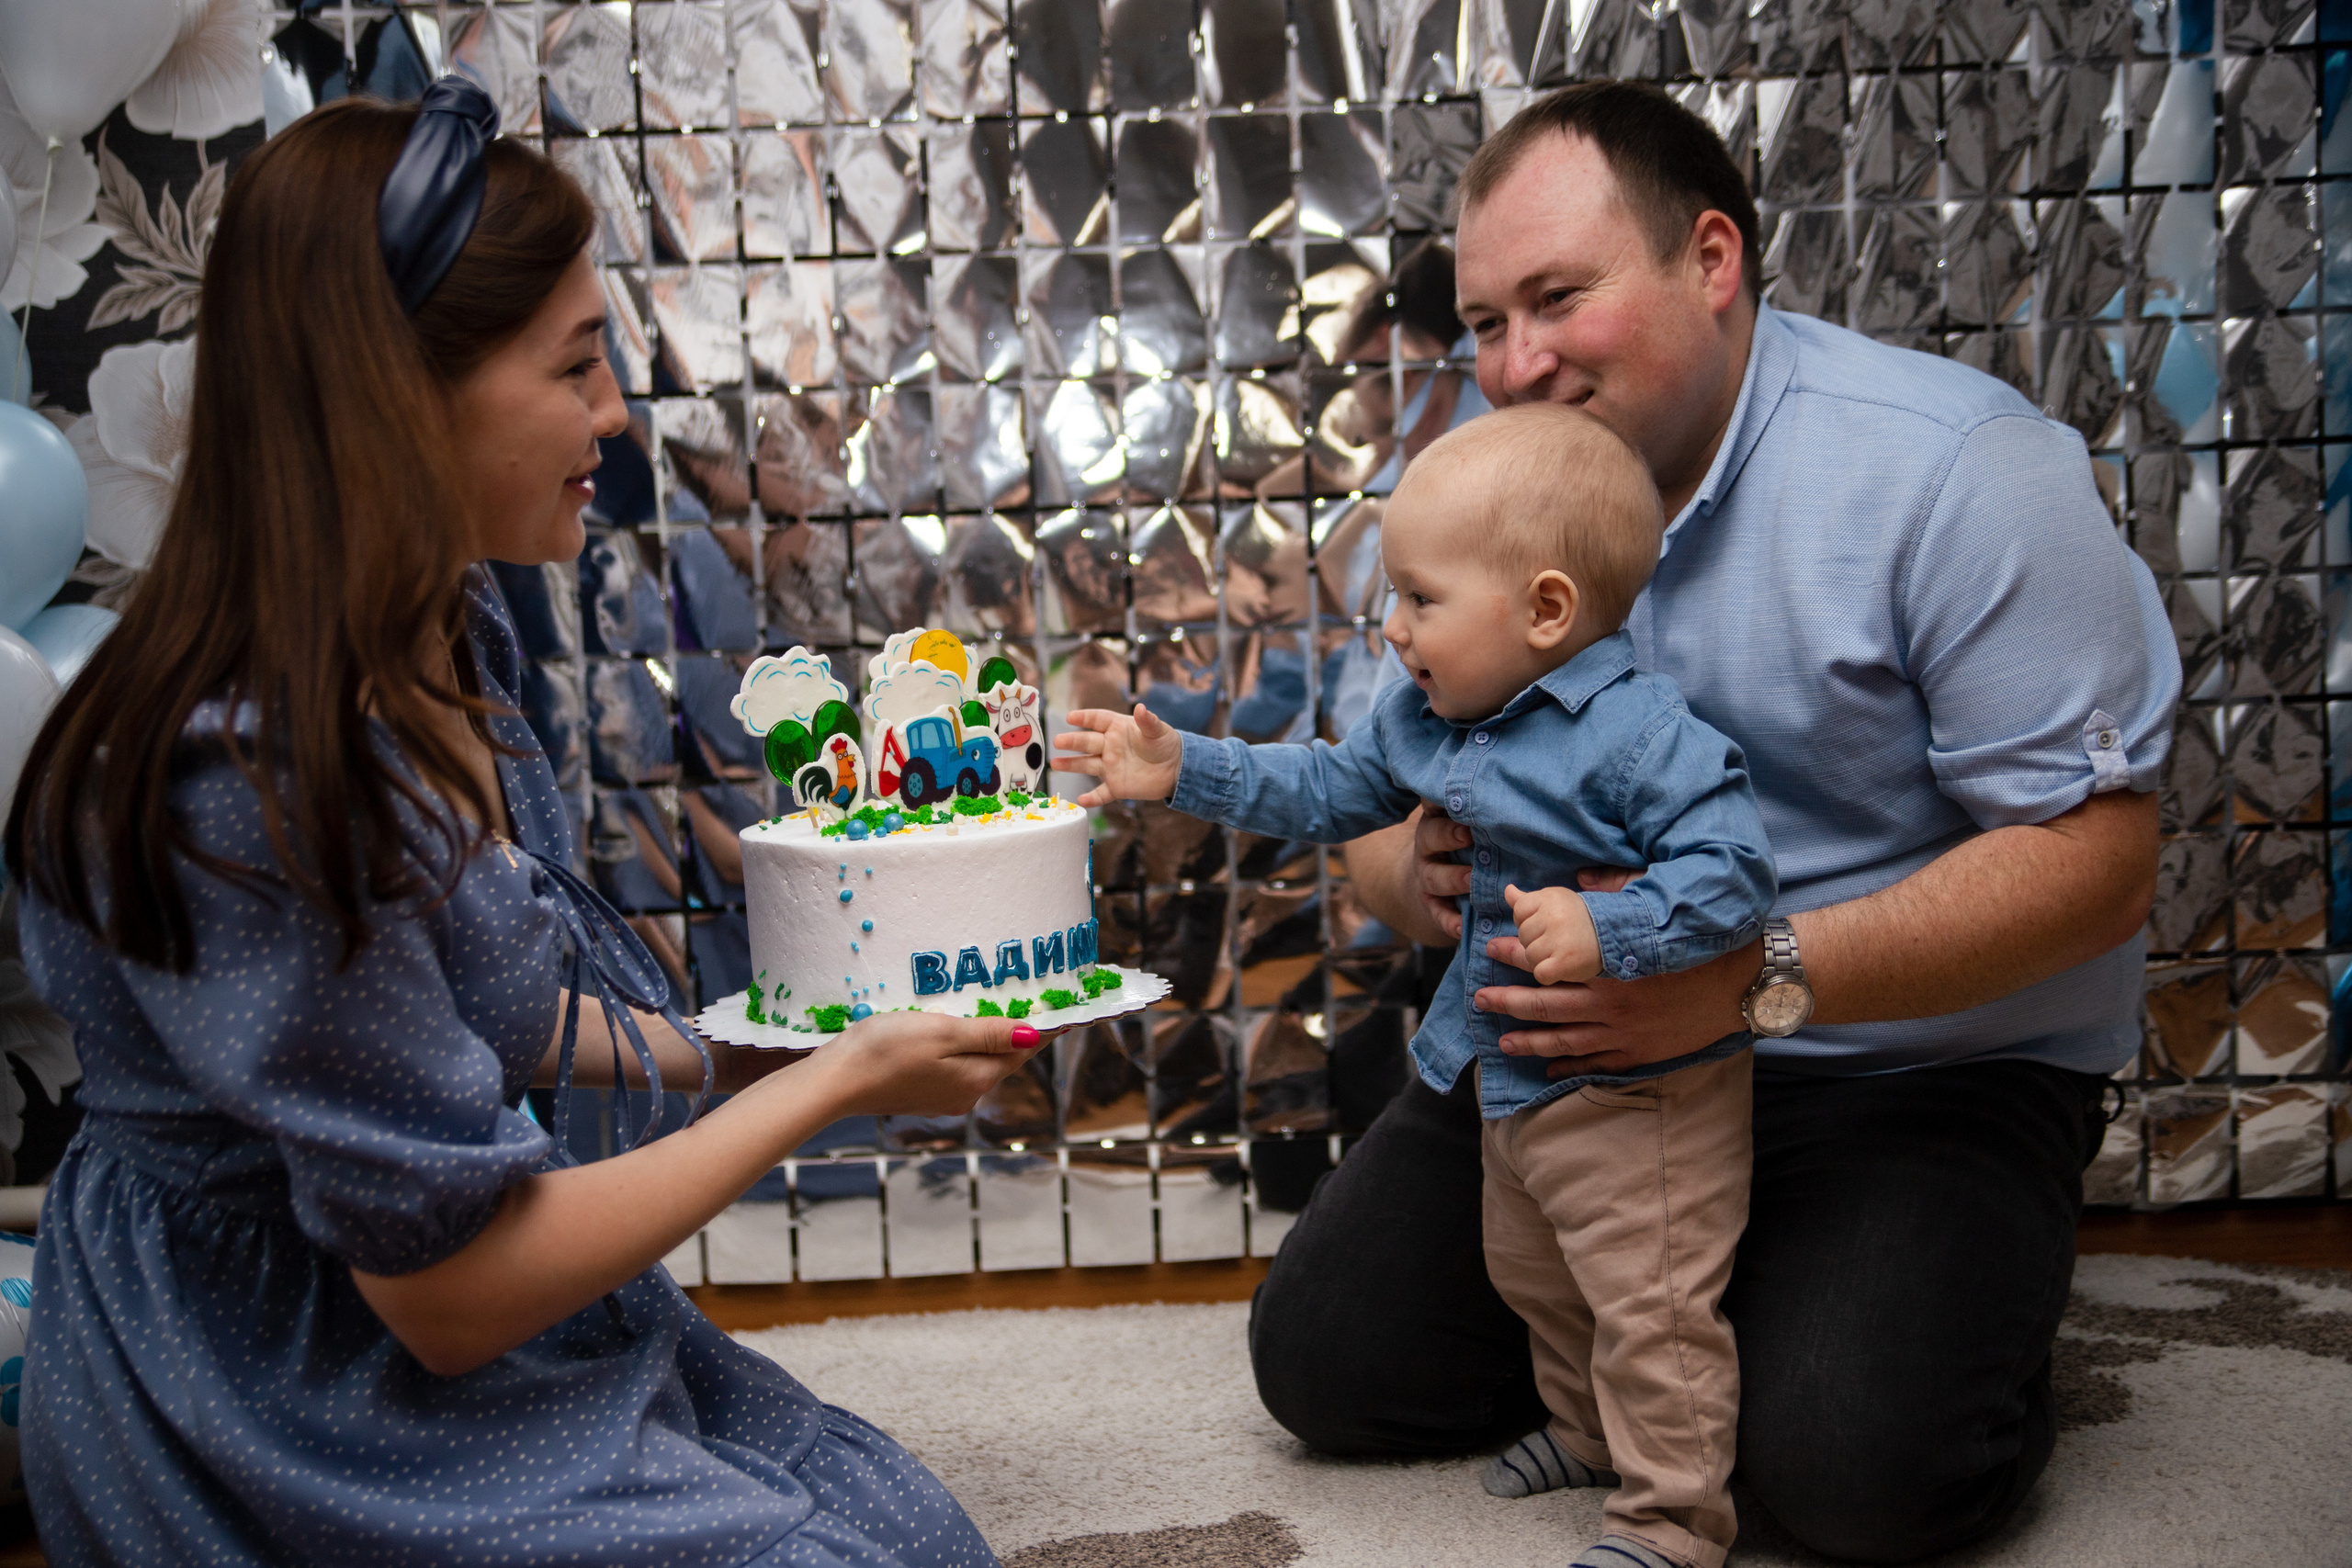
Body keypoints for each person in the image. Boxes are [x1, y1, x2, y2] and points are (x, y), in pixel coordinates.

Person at [5, 81, 1043, 1567]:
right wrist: (828, 1086)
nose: (615, 411)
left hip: (419, 1304)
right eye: (574, 363)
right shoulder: (251, 778)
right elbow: (450, 1297)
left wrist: (741, 1051)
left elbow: (464, 1003)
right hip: (285, 1388)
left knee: (907, 1528)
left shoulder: (441, 623)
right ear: (396, 392)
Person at [1245, 81, 2180, 1565]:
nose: (1516, 362)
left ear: (1713, 259)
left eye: (1560, 298)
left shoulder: (1957, 468)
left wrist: (1746, 983)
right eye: (1485, 321)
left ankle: (1843, 1308)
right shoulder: (1489, 479)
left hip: (1898, 1058)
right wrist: (1414, 868)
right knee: (1330, 1364)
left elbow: (2100, 866)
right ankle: (1699, 1312)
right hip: (1571, 1051)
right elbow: (1378, 784)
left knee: (1859, 1472)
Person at [1059, 402, 1775, 1568]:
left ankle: (1673, 1519)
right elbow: (1323, 789)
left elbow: (1735, 871)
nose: (1391, 630)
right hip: (1503, 1075)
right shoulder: (1426, 719)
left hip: (1636, 1093)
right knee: (1534, 1275)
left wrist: (1612, 927)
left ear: (1545, 610)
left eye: (1419, 599)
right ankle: (1586, 1433)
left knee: (1647, 1305)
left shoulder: (1642, 739)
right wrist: (1181, 768)